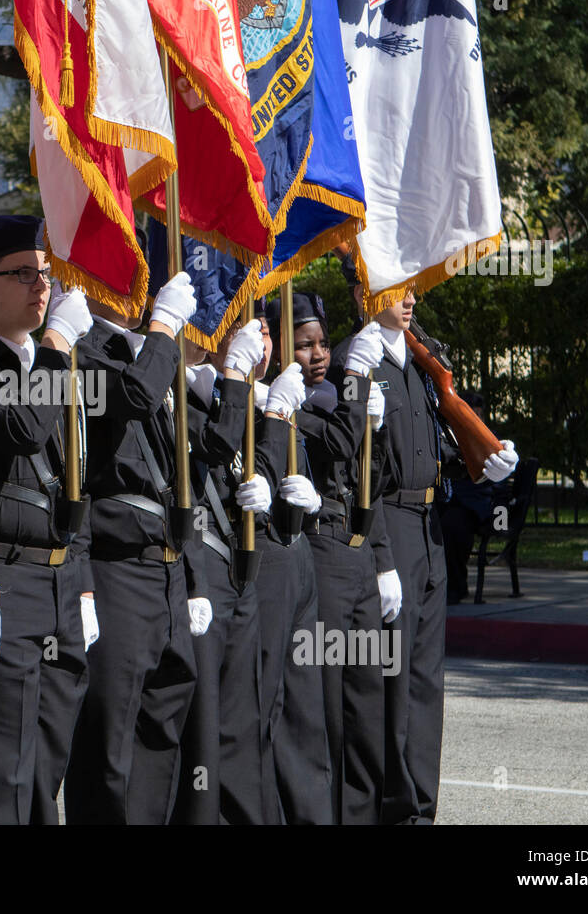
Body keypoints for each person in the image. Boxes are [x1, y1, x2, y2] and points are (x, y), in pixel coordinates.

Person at [333, 270, 518, 825]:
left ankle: (419, 810)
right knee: (388, 686)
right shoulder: (357, 362)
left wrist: (482, 456)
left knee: (425, 684)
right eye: (397, 290)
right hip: (389, 526)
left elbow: (437, 436)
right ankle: (390, 808)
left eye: (413, 289)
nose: (411, 299)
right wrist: (382, 557)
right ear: (366, 295)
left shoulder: (422, 358)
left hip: (430, 528)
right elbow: (355, 467)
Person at [0, 215, 94, 824]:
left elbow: (77, 479)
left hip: (61, 584)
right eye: (22, 274)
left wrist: (83, 580)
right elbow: (21, 428)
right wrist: (59, 347)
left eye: (44, 272)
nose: (41, 286)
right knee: (2, 777)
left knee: (45, 775)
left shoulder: (46, 363)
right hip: (6, 580)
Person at [62, 269, 201, 825]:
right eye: (118, 265)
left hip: (165, 566)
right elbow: (135, 396)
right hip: (114, 568)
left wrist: (190, 579)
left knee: (161, 733)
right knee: (109, 748)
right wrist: (166, 328)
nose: (134, 281)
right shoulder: (79, 349)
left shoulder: (143, 351)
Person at [283, 293, 396, 825]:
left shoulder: (332, 395)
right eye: (304, 345)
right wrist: (357, 382)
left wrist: (382, 558)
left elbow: (369, 481)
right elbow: (340, 441)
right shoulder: (287, 403)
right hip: (321, 553)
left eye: (325, 343)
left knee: (365, 708)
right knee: (328, 710)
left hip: (356, 554)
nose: (319, 354)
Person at [171, 319, 270, 824]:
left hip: (236, 567)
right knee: (205, 732)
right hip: (200, 567)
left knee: (240, 724)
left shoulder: (218, 389)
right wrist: (233, 377)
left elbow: (251, 461)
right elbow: (213, 447)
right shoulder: (170, 392)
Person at [255, 298, 333, 825]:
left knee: (306, 714)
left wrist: (315, 502)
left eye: (264, 333)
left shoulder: (288, 398)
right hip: (262, 564)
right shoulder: (237, 397)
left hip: (298, 555)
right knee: (264, 713)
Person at [438, 392, 494, 606]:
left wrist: (500, 517)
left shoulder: (487, 436)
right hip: (449, 501)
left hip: (473, 505)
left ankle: (456, 586)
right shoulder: (451, 434)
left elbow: (494, 486)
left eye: (478, 411)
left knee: (453, 526)